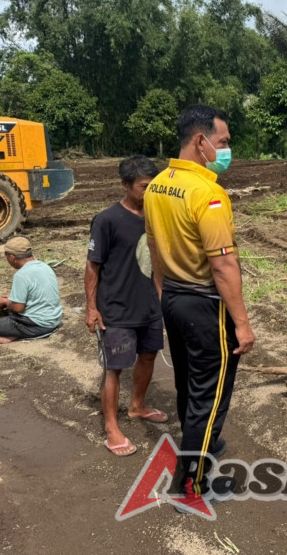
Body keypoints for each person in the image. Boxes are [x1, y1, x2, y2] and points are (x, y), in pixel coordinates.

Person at [144, 105, 254, 500]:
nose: (226, 150)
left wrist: (161, 290)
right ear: (200, 141)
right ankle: (191, 487)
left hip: (174, 298)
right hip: (206, 305)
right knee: (210, 396)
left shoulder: (158, 185)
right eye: (222, 142)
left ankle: (204, 443)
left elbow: (154, 245)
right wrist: (241, 322)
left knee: (189, 383)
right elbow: (223, 264)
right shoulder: (208, 194)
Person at [85, 155, 167, 458]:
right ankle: (111, 427)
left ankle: (137, 406)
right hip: (116, 308)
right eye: (145, 186)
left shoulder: (156, 218)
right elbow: (92, 267)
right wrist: (91, 308)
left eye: (154, 186)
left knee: (148, 357)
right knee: (115, 367)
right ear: (126, 185)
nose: (150, 192)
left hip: (149, 306)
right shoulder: (107, 220)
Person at [0, 237, 62, 345]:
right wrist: (13, 298)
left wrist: (6, 302)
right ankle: (14, 334)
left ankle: (18, 334)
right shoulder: (45, 267)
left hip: (39, 325)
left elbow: (18, 308)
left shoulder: (21, 275)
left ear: (12, 257)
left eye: (6, 256)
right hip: (54, 321)